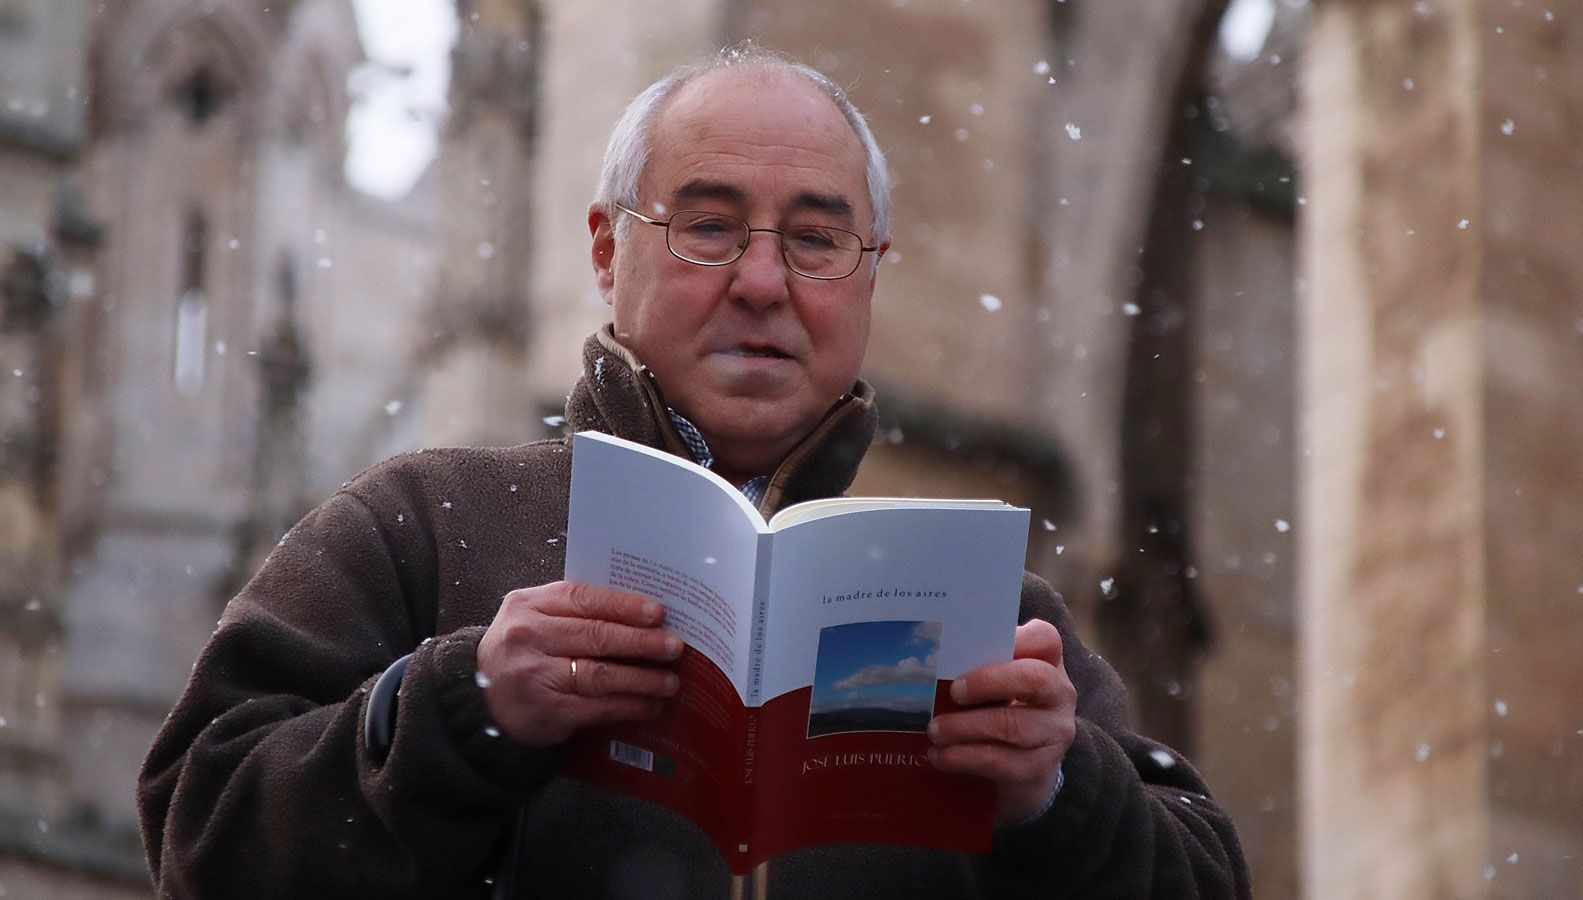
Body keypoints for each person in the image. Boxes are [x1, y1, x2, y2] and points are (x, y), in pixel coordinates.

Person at [138, 49, 1251, 898]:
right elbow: (199, 827)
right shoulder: (424, 524)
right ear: (608, 250)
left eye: (816, 240)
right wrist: (457, 709)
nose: (764, 282)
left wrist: (1057, 794)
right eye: (710, 227)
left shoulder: (998, 614)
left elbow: (1203, 872)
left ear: (870, 277)